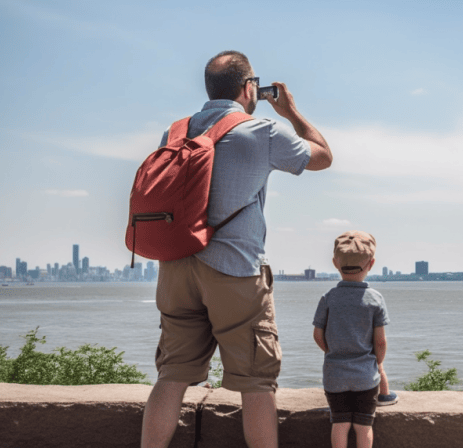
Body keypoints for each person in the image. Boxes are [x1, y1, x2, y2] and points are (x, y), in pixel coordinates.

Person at [141, 50, 332, 448]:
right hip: (235, 271)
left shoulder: (175, 132)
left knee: (172, 375)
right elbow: (323, 157)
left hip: (175, 266)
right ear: (250, 88)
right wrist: (292, 113)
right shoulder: (261, 131)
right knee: (256, 382)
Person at [312, 231, 396, 448]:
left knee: (339, 424)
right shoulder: (375, 299)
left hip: (334, 375)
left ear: (334, 263)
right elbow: (380, 342)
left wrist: (333, 351)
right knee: (363, 426)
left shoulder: (328, 298)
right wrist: (377, 362)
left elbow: (317, 335)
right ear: (372, 263)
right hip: (365, 377)